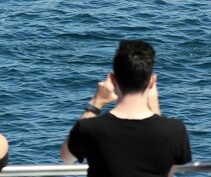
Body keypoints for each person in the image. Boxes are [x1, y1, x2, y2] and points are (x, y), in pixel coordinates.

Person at [60, 40, 192, 177]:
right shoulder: (174, 131)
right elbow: (172, 170)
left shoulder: (89, 128)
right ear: (152, 81)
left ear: (112, 79)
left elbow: (66, 158)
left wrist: (95, 103)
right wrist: (154, 101)